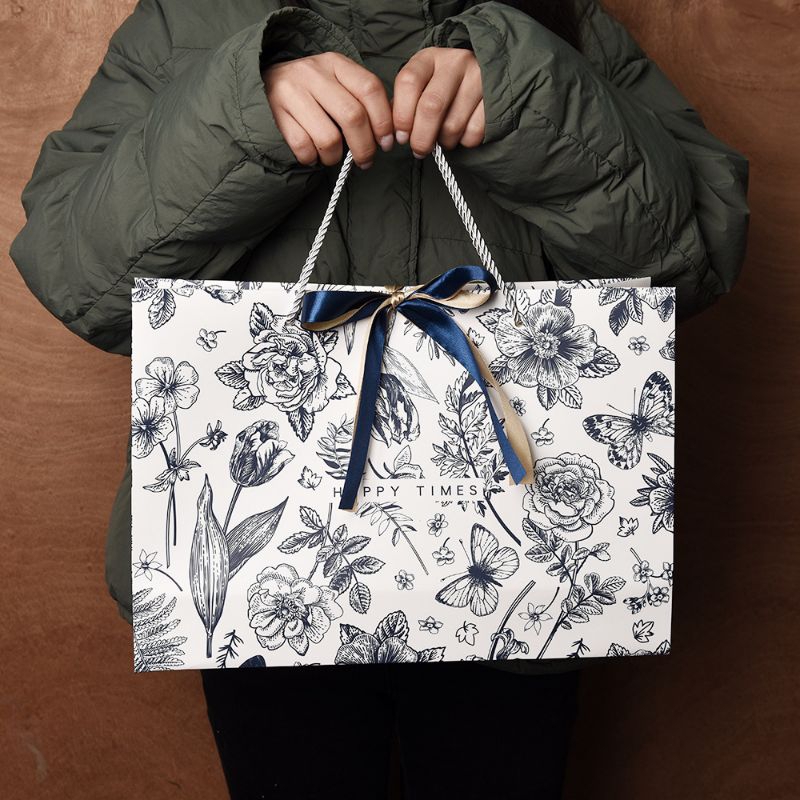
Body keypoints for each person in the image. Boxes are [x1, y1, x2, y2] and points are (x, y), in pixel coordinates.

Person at [10, 1, 749, 797]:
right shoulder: (186, 21)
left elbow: (692, 263)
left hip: (523, 582)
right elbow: (79, 279)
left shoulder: (551, 18)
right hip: (269, 587)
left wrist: (534, 108)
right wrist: (241, 123)